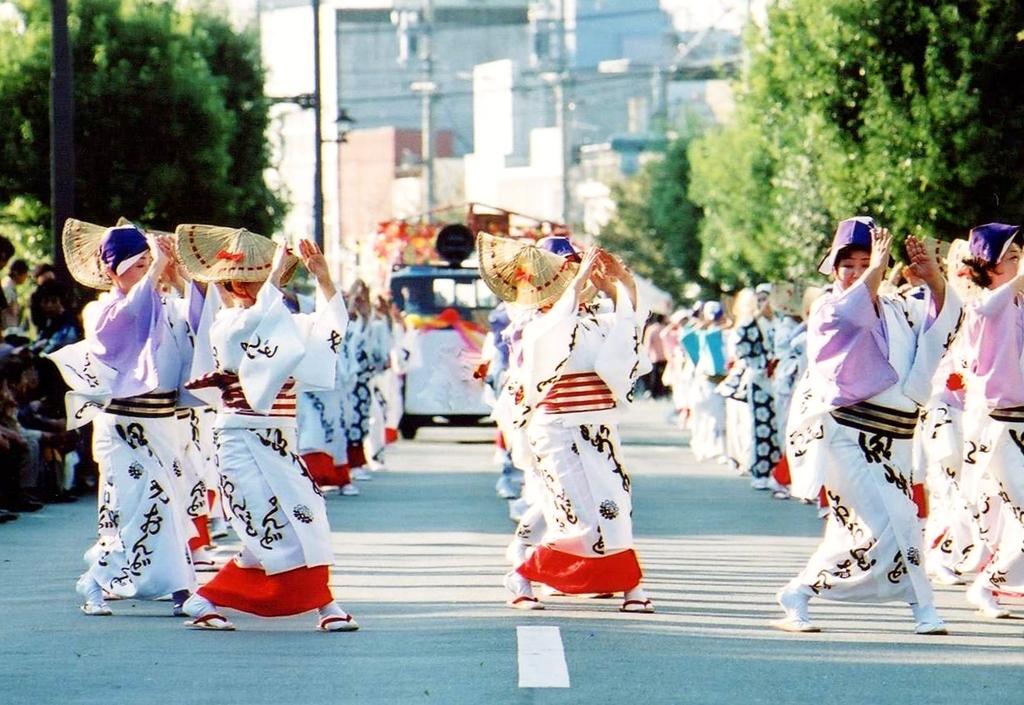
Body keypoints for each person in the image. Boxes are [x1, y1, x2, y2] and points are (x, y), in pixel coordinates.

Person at [779, 217, 961, 634]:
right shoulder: (828, 308)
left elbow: (941, 330)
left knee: (886, 524)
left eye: (868, 261)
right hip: (848, 433)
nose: (859, 271)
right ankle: (922, 608)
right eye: (850, 263)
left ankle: (801, 591)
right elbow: (854, 318)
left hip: (896, 436)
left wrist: (935, 282)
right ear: (833, 267)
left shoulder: (899, 307)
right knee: (893, 520)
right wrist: (878, 268)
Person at [176, 226, 357, 632]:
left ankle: (209, 599)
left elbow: (329, 331)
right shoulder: (228, 325)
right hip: (240, 437)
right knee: (267, 527)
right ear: (241, 284)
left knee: (304, 519)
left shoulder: (283, 322)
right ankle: (324, 606)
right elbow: (254, 325)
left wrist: (323, 278)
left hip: (278, 440)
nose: (271, 285)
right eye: (260, 278)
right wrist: (276, 273)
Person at [480, 233, 654, 613]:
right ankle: (524, 574)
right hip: (556, 428)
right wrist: (577, 289)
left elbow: (629, 334)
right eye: (571, 271)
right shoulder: (533, 321)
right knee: (573, 511)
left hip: (598, 427)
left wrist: (622, 285)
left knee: (615, 504)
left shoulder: (593, 319)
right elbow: (549, 347)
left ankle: (630, 585)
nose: (582, 278)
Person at [49, 221, 199, 617]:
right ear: (113, 270)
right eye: (138, 265)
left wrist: (179, 276)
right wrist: (155, 274)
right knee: (137, 508)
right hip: (126, 424)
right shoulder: (102, 308)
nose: (147, 270)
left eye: (148, 263)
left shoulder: (165, 301)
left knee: (171, 506)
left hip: (165, 421)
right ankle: (97, 581)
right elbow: (129, 317)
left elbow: (200, 326)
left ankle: (180, 587)